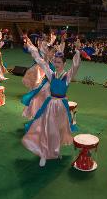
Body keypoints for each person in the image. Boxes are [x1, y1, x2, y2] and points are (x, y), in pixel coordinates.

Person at [22, 36, 80, 167]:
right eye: (55, 62)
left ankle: (56, 150)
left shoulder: (67, 76)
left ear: (64, 64)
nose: (56, 64)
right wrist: (32, 48)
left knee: (59, 130)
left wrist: (77, 51)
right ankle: (43, 153)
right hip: (51, 104)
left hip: (62, 106)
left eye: (59, 62)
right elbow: (41, 62)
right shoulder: (51, 74)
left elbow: (76, 66)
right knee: (47, 129)